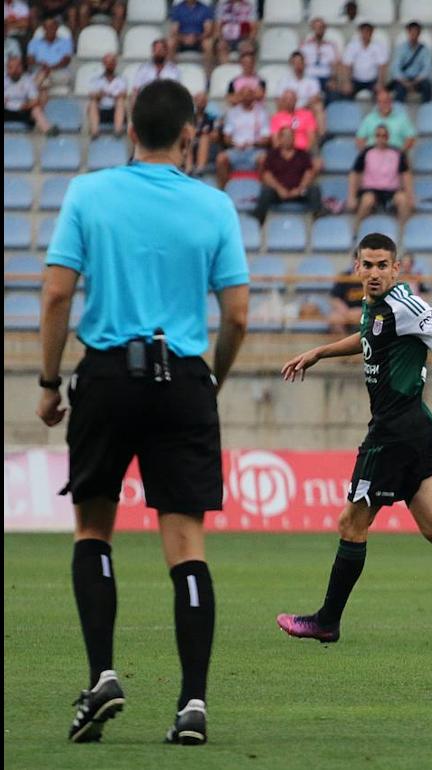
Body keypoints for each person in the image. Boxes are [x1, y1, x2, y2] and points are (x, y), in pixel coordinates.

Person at [39, 78, 250, 747]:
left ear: (128, 128)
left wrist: (49, 382)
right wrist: (207, 378)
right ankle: (191, 703)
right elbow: (238, 314)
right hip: (182, 376)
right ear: (191, 134)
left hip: (105, 374)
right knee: (186, 546)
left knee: (93, 530)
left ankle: (103, 674)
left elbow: (54, 296)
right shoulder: (214, 205)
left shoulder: (88, 193)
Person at [276, 233, 432, 644]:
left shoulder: (406, 305)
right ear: (357, 267)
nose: (374, 273)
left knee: (351, 523)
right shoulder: (374, 307)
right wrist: (320, 352)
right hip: (414, 428)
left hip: (394, 431)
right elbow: (368, 338)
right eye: (368, 265)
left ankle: (327, 620)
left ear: (397, 268)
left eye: (382, 266)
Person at [253, 125, 322, 222]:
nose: (287, 139)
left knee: (314, 190)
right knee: (266, 191)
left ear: (294, 138)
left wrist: (299, 189)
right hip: (278, 193)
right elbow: (267, 175)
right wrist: (279, 189)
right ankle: (257, 222)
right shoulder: (272, 155)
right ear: (280, 139)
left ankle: (318, 221)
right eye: (284, 136)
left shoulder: (302, 154)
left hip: (299, 192)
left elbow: (308, 173)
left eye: (290, 136)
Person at [347, 124, 413, 224]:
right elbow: (354, 173)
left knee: (403, 199)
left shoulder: (397, 153)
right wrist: (351, 196)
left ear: (388, 137)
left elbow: (406, 175)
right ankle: (357, 229)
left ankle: (403, 232)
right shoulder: (366, 152)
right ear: (375, 137)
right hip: (371, 189)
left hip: (391, 190)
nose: (381, 138)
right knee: (367, 200)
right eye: (378, 135)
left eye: (384, 136)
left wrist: (410, 196)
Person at [215, 85, 269, 188]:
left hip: (255, 150)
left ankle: (263, 193)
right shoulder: (232, 113)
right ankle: (223, 192)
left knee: (264, 159)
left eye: (249, 94)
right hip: (236, 149)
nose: (246, 97)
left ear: (253, 96)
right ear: (239, 96)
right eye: (243, 95)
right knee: (221, 159)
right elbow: (226, 138)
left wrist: (252, 143)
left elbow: (266, 140)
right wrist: (235, 143)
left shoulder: (262, 113)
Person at [354, 87, 416, 152]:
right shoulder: (369, 119)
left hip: (395, 155)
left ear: (391, 102)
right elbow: (359, 139)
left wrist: (401, 154)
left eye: (386, 101)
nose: (384, 104)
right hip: (373, 156)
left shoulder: (402, 119)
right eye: (381, 102)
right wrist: (367, 154)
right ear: (377, 103)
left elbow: (411, 138)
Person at [275, 51, 325, 127]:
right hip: (289, 109)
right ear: (291, 64)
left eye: (300, 62)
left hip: (307, 109)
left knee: (318, 106)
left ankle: (321, 137)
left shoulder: (312, 81)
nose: (298, 65)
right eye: (295, 62)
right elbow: (279, 100)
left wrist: (302, 109)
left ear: (304, 63)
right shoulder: (284, 81)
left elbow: (315, 98)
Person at [4, 54, 52, 133]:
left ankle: (49, 131)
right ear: (7, 69)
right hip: (7, 111)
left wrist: (27, 105)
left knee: (36, 109)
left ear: (21, 68)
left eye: (18, 67)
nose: (15, 70)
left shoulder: (27, 81)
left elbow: (35, 100)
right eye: (11, 67)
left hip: (23, 110)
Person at [389, 21, 432, 103]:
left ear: (419, 33)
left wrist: (416, 81)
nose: (414, 35)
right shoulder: (401, 48)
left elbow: (427, 68)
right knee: (399, 89)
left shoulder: (425, 50)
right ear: (408, 32)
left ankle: (426, 111)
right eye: (411, 32)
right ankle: (399, 112)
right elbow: (395, 67)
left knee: (427, 86)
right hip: (404, 79)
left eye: (416, 32)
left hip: (418, 79)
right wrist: (404, 82)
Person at [340, 21, 388, 98]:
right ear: (360, 32)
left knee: (382, 94)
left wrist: (380, 82)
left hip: (373, 80)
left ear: (372, 33)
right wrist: (347, 82)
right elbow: (347, 65)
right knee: (345, 93)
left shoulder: (378, 46)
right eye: (363, 31)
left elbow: (382, 66)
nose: (365, 34)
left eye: (368, 31)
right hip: (356, 80)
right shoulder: (352, 46)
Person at [26, 17, 72, 90]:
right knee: (44, 82)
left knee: (42, 79)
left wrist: (50, 68)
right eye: (47, 27)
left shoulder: (65, 42)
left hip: (59, 72)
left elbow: (66, 61)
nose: (50, 29)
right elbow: (30, 60)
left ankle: (32, 94)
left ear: (57, 28)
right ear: (43, 29)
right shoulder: (34, 42)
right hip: (39, 70)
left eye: (52, 26)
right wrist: (42, 66)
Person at [87, 52, 126, 137]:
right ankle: (95, 131)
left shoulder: (122, 79)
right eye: (107, 62)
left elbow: (123, 94)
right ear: (103, 64)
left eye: (112, 62)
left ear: (115, 64)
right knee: (93, 102)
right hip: (101, 110)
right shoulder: (96, 80)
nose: (110, 65)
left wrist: (109, 94)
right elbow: (92, 94)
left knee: (120, 101)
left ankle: (118, 130)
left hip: (115, 109)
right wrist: (100, 94)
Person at [210, 0, 258, 68]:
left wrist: (249, 40)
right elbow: (218, 26)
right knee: (220, 46)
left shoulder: (249, 4)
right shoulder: (222, 4)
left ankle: (242, 74)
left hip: (243, 38)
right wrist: (220, 39)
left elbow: (253, 27)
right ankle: (226, 71)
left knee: (247, 47)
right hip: (226, 38)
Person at [300, 17, 340, 94]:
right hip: (310, 77)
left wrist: (333, 79)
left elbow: (335, 64)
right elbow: (300, 63)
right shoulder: (305, 46)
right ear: (312, 29)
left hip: (326, 78)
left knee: (335, 91)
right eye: (316, 27)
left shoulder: (331, 46)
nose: (319, 30)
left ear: (325, 29)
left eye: (321, 27)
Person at [185, 90, 219, 175]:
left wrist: (207, 134)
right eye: (199, 100)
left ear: (207, 102)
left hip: (207, 143)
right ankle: (188, 168)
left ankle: (200, 168)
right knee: (188, 137)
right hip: (192, 141)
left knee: (204, 138)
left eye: (204, 100)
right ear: (194, 102)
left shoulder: (212, 118)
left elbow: (216, 135)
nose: (201, 102)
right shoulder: (189, 118)